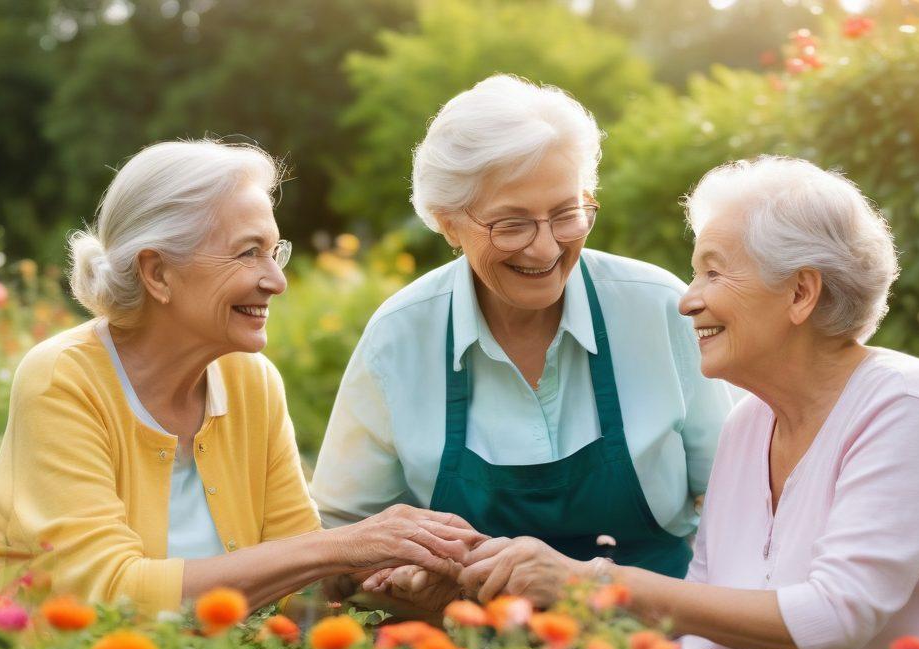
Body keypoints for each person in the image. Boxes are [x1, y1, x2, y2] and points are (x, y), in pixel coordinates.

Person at [457, 155, 919, 649]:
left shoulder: (903, 406)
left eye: (714, 271)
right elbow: (709, 622)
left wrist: (592, 583)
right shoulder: (749, 424)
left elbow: (834, 616)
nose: (687, 298)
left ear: (801, 293)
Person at [0, 140, 479, 615]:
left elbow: (296, 582)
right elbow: (108, 594)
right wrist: (344, 545)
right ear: (157, 273)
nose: (277, 281)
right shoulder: (63, 380)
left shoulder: (249, 380)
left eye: (274, 251)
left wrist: (378, 576)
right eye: (247, 253)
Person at [311, 75, 735, 610]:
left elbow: (742, 502)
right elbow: (342, 539)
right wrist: (395, 579)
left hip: (655, 645)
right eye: (510, 224)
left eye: (565, 214)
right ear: (447, 223)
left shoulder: (657, 310)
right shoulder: (400, 337)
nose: (543, 248)